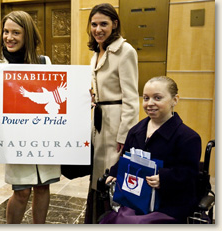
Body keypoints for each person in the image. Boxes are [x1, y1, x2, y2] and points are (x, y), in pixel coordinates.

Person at [0, 11, 61, 224]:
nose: (9, 37)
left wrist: (82, 96)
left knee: (43, 186)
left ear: (27, 35)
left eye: (16, 32)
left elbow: (54, 93)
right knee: (21, 191)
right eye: (6, 31)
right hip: (15, 137)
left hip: (43, 135)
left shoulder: (43, 61)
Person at [100, 76, 202, 224]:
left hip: (168, 204)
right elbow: (125, 158)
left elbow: (189, 175)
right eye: (146, 98)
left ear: (175, 100)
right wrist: (115, 172)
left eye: (158, 98)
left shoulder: (188, 137)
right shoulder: (136, 131)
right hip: (135, 199)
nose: (150, 103)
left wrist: (164, 178)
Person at [85, 3, 139, 223]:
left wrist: (125, 135)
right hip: (99, 120)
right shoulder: (96, 53)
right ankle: (96, 220)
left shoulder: (125, 51)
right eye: (94, 24)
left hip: (116, 122)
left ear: (115, 24)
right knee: (96, 177)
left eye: (104, 24)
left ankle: (113, 222)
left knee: (112, 177)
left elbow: (131, 98)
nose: (98, 29)